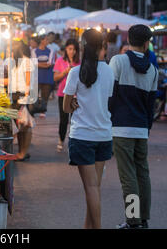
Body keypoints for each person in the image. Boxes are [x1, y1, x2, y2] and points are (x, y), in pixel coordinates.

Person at [63, 29, 114, 229]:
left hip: (83, 136)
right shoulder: (110, 71)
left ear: (83, 48)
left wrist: (75, 103)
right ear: (102, 47)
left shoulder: (75, 72)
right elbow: (104, 100)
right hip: (103, 135)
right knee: (94, 188)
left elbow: (66, 106)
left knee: (91, 188)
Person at [109, 24, 158, 229]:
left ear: (128, 40)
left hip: (121, 128)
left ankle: (133, 220)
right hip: (141, 128)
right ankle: (143, 218)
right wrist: (146, 127)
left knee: (127, 176)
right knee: (142, 173)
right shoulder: (153, 70)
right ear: (147, 44)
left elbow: (109, 95)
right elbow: (151, 106)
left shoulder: (118, 61)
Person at [53, 38, 80, 152]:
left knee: (75, 119)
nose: (72, 51)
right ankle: (61, 139)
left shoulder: (79, 62)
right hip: (62, 93)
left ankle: (73, 142)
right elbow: (55, 78)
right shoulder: (60, 61)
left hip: (76, 94)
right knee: (64, 119)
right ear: (66, 49)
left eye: (74, 49)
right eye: (70, 49)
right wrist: (66, 71)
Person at [11, 41, 35, 161]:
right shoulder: (15, 63)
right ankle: (21, 151)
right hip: (15, 96)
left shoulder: (26, 62)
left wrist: (25, 100)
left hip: (24, 96)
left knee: (26, 125)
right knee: (20, 124)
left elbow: (28, 82)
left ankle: (23, 152)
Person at [32, 35, 55, 118]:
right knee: (35, 94)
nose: (47, 41)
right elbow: (34, 63)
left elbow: (50, 63)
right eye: (46, 39)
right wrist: (44, 64)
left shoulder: (51, 50)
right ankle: (34, 109)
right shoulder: (34, 51)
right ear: (42, 41)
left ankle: (43, 111)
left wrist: (39, 64)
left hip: (47, 76)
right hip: (36, 76)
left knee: (45, 94)